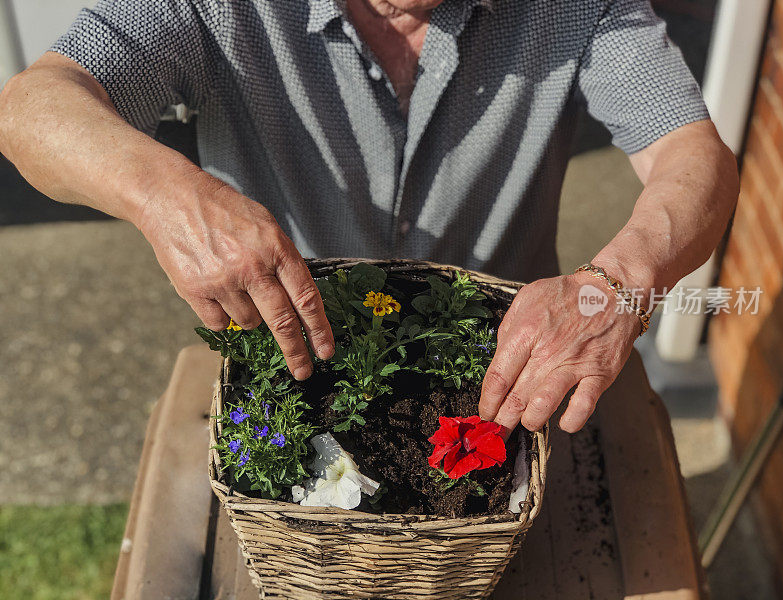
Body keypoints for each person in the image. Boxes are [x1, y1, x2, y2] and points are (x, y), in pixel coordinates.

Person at [0, 0, 738, 435]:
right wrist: (168, 195)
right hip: (292, 372)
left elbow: (692, 155)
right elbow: (33, 108)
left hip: (496, 380)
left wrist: (618, 283)